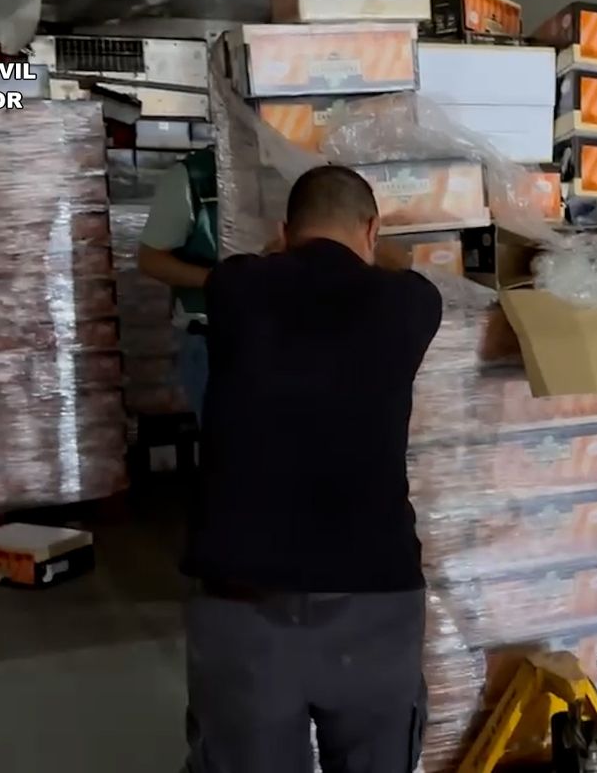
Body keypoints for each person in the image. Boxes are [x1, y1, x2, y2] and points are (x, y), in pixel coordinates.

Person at [182, 165, 443, 773]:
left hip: (241, 599)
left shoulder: (234, 288)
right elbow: (403, 267)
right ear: (372, 229)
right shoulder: (409, 304)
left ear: (283, 231)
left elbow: (261, 263)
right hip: (373, 595)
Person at [137, 148, 220, 418]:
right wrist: (221, 281)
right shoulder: (193, 178)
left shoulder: (298, 167)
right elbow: (151, 259)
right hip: (214, 342)